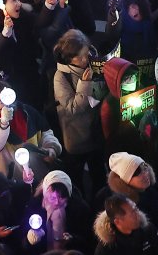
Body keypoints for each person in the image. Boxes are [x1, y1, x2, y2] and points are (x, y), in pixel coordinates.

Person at [52, 29, 105, 198]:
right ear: (69, 59)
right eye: (80, 57)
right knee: (76, 180)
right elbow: (73, 108)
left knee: (99, 176)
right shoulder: (61, 77)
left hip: (95, 133)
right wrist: (85, 84)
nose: (85, 60)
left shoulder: (91, 62)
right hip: (77, 139)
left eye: (86, 54)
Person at [0, 79, 62, 180]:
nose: (7, 102)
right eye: (1, 101)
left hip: (41, 175)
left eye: (8, 95)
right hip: (13, 182)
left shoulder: (27, 111)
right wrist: (3, 123)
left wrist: (51, 149)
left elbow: (46, 132)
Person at [93, 193, 158, 255]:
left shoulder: (148, 229)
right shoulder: (105, 250)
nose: (138, 213)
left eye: (136, 208)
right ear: (118, 222)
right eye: (133, 213)